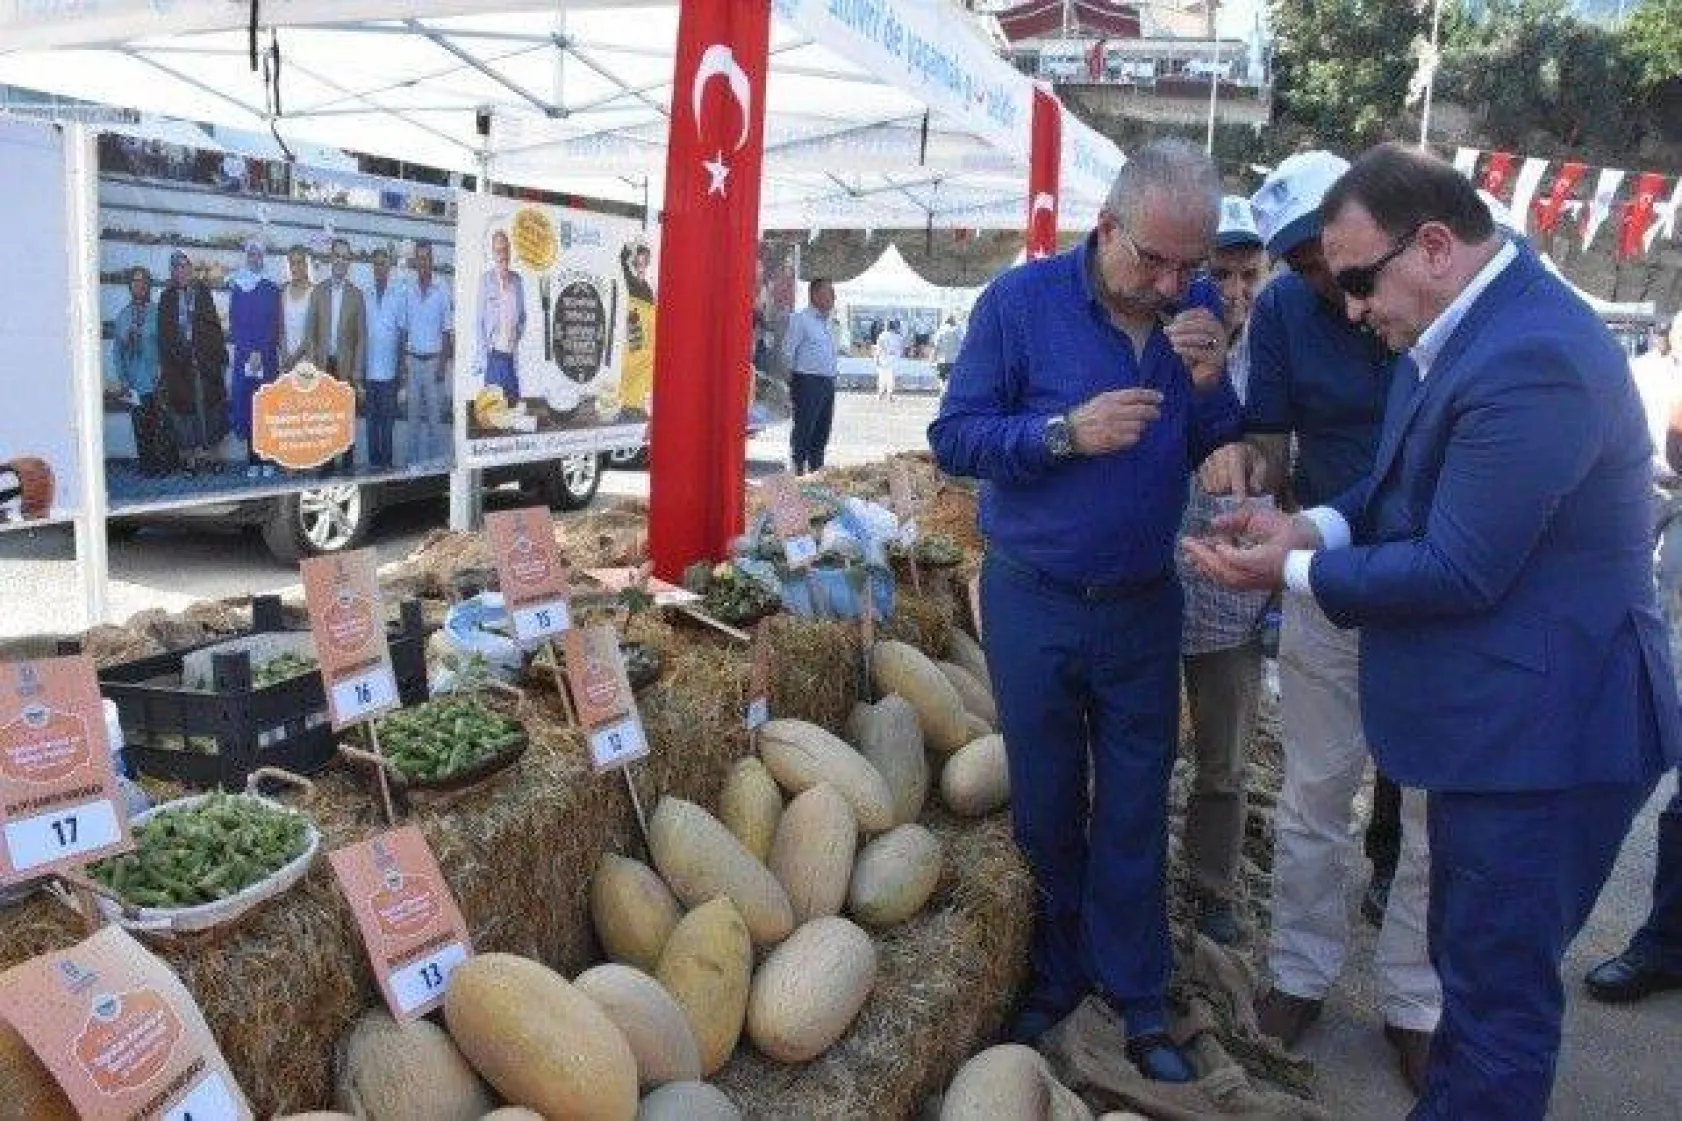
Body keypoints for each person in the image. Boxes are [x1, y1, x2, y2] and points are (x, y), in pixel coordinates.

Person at [1186, 142, 1679, 1120]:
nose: (1349, 305)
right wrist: (1309, 523)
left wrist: (1286, 568)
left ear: (1436, 246)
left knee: (1493, 1006)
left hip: (1546, 734)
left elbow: (1456, 564)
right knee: (1476, 979)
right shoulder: (1457, 323)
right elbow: (1398, 486)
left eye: (1358, 278)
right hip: (1500, 721)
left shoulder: (1528, 353)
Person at [929, 138, 1240, 1083]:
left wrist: (1212, 383)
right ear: (1107, 226)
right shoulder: (1019, 306)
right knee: (1050, 803)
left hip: (1144, 603)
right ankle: (1057, 976)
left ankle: (1137, 996)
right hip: (1036, 598)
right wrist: (1064, 433)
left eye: (1192, 265)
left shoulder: (1196, 309)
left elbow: (1220, 447)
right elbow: (955, 437)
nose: (1175, 281)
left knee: (1140, 802)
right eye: (1155, 258)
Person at [1200, 151, 1438, 1090]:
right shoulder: (1294, 311)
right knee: (1312, 787)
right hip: (1325, 568)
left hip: (1429, 577)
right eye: (1299, 270)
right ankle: (1299, 970)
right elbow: (1268, 428)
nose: (1328, 292)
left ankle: (1415, 1000)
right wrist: (1252, 480)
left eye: (1333, 269)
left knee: (1427, 803)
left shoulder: (1424, 293)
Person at [1173, 196, 1271, 948]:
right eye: (1220, 272)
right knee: (1133, 755)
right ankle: (1135, 877)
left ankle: (1209, 887)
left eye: (1248, 273)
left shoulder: (1275, 360)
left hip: (1232, 602)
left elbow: (1288, 464)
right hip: (1152, 584)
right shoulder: (1170, 342)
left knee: (1223, 764)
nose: (1235, 290)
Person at [157, 250, 228, 476]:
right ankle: (190, 460)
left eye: (186, 265)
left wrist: (217, 356)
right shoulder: (166, 297)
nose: (183, 270)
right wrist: (172, 359)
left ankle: (214, 457)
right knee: (184, 412)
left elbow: (213, 325)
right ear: (172, 271)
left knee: (211, 408)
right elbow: (164, 333)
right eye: (178, 266)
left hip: (204, 361)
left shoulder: (202, 292)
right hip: (178, 366)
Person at [109, 265, 174, 476]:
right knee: (140, 425)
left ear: (149, 285)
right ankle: (147, 467)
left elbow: (167, 344)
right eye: (136, 281)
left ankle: (165, 466)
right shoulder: (123, 316)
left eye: (144, 281)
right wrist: (123, 380)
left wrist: (163, 368)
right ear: (130, 286)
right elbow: (117, 352)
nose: (140, 285)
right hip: (134, 382)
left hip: (157, 378)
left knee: (161, 424)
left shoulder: (158, 312)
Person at [227, 240, 282, 477]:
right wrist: (250, 351)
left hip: (267, 357)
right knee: (249, 406)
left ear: (264, 257)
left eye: (259, 255)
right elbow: (236, 323)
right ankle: (252, 460)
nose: (255, 259)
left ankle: (267, 459)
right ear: (246, 257)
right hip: (244, 357)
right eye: (251, 255)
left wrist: (261, 350)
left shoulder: (271, 287)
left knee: (266, 407)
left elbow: (274, 323)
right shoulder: (237, 286)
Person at [403, 240, 454, 468]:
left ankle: (436, 468)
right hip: (413, 362)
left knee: (435, 421)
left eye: (427, 258)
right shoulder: (408, 289)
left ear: (432, 261)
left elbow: (447, 330)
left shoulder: (442, 288)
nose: (423, 262)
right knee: (412, 421)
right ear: (415, 261)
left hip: (434, 363)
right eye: (419, 258)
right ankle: (413, 468)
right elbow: (404, 328)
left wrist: (442, 365)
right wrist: (403, 363)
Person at [782, 278, 840, 475]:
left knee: (822, 432)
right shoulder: (800, 320)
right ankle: (797, 471)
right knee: (804, 430)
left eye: (833, 293)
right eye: (829, 293)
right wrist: (789, 385)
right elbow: (787, 352)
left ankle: (816, 471)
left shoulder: (829, 322)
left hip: (827, 382)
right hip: (807, 381)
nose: (833, 297)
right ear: (814, 295)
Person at [363, 246, 406, 470]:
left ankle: (387, 464)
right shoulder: (366, 293)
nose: (380, 268)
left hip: (389, 373)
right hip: (369, 372)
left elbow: (401, 336)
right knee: (372, 422)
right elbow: (361, 334)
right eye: (376, 263)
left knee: (387, 423)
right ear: (373, 267)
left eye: (383, 263)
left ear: (389, 267)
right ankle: (373, 464)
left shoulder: (398, 295)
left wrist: (402, 374)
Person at [476, 228, 526, 406]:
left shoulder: (517, 280)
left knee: (513, 407)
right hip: (494, 358)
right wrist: (485, 354)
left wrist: (516, 337)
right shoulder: (485, 280)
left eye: (505, 249)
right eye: (498, 250)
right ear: (493, 254)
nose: (502, 254)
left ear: (510, 250)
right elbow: (479, 322)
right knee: (492, 411)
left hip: (512, 358)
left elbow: (523, 317)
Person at [618, 239, 656, 420]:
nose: (643, 265)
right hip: (634, 322)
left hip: (647, 325)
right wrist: (631, 245)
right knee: (633, 361)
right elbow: (622, 258)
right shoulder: (630, 278)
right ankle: (626, 401)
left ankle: (637, 402)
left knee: (645, 363)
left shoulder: (646, 284)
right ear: (634, 262)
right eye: (640, 261)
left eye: (645, 262)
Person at [279, 245, 315, 373]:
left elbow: (311, 334)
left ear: (306, 265)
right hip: (286, 361)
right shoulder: (284, 290)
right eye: (292, 263)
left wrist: (294, 359)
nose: (295, 267)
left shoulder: (314, 292)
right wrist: (284, 355)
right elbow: (281, 329)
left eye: (299, 263)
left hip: (307, 361)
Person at [874, 317, 905, 402]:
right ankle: (889, 395)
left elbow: (879, 347)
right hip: (893, 359)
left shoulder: (882, 335)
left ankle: (880, 394)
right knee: (891, 378)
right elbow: (901, 349)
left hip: (883, 357)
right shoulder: (898, 337)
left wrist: (876, 358)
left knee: (882, 377)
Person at [932, 314, 965, 390]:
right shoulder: (958, 331)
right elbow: (963, 344)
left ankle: (943, 396)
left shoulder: (940, 332)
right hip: (955, 361)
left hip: (942, 361)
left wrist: (933, 359)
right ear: (954, 322)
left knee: (942, 382)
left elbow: (936, 347)